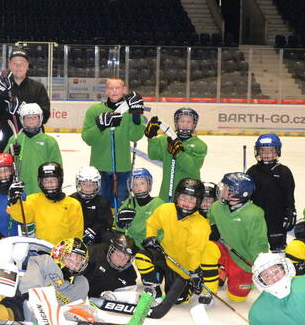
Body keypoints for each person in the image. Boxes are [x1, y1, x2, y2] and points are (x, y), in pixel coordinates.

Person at [142, 178, 220, 305]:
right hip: (166, 255)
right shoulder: (166, 209)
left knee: (179, 301)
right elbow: (152, 223)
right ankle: (153, 289)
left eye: (191, 200)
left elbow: (194, 252)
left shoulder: (200, 225)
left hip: (184, 266)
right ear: (177, 197)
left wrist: (194, 273)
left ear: (198, 202)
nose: (186, 203)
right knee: (143, 257)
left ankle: (208, 291)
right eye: (183, 197)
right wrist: (150, 237)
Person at [80, 78, 146, 207]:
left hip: (122, 168)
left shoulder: (129, 110)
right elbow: (87, 138)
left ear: (124, 89)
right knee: (100, 207)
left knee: (121, 208)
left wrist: (136, 117)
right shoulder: (94, 110)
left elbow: (135, 137)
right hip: (99, 168)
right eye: (111, 88)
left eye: (118, 88)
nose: (114, 91)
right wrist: (100, 126)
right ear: (106, 91)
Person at [207, 172, 269, 303]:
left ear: (239, 193)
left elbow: (258, 243)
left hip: (242, 260)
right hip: (223, 251)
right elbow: (208, 222)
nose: (222, 190)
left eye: (226, 188)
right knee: (208, 249)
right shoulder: (217, 207)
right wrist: (211, 229)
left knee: (236, 298)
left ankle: (235, 274)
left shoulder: (254, 214)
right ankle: (210, 287)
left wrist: (259, 266)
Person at [0, 49, 51, 153]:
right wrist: (0, 96)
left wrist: (21, 107)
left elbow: (45, 116)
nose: (18, 66)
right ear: (10, 65)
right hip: (7, 142)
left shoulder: (38, 87)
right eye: (15, 63)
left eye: (22, 63)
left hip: (35, 141)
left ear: (27, 65)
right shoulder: (1, 86)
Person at [7, 161, 83, 244]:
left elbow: (76, 233)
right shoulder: (34, 200)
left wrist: (71, 248)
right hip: (41, 249)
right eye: (46, 181)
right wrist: (14, 202)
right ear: (41, 182)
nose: (50, 184)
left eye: (53, 180)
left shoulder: (73, 205)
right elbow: (24, 217)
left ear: (60, 180)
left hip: (62, 250)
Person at [246, 134, 297, 251]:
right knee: (256, 247)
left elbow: (289, 195)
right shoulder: (252, 171)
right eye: (262, 150)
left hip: (277, 218)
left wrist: (290, 211)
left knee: (278, 249)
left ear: (277, 151)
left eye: (271, 150)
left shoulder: (284, 171)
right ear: (257, 151)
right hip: (257, 218)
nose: (266, 154)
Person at [145, 107, 207, 202]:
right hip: (166, 192)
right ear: (176, 123)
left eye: (189, 122)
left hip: (188, 195)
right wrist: (151, 138)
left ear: (194, 124)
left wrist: (178, 153)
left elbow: (193, 168)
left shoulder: (200, 145)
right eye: (182, 121)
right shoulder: (165, 140)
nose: (185, 124)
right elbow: (153, 155)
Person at [4, 103, 62, 196]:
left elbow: (57, 168)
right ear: (22, 120)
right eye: (28, 118)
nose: (31, 120)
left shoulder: (49, 142)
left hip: (42, 191)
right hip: (20, 190)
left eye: (34, 117)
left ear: (40, 119)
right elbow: (4, 164)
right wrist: (10, 154)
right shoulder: (14, 139)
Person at [113, 168, 164, 248]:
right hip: (129, 244)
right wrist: (120, 223)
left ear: (149, 184)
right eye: (134, 184)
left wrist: (156, 241)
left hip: (148, 246)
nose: (138, 187)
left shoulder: (158, 204)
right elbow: (117, 226)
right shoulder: (129, 202)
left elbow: (164, 230)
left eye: (142, 183)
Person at [70, 166, 114, 246]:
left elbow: (107, 222)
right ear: (78, 184)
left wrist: (93, 231)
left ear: (97, 185)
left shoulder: (102, 202)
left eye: (92, 184)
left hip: (96, 238)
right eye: (84, 184)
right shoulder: (71, 200)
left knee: (108, 236)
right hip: (75, 236)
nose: (88, 187)